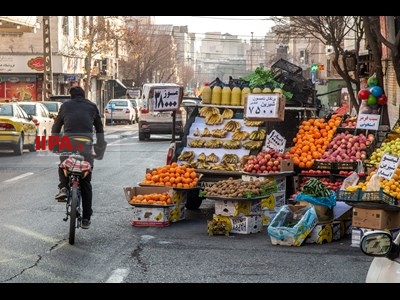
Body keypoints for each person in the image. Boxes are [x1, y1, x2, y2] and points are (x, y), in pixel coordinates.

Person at [52, 86, 106, 229]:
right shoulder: (92, 106)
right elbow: (100, 130)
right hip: (86, 144)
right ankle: (86, 218)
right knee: (85, 181)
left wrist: (54, 145)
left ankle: (63, 187)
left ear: (71, 96)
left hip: (68, 142)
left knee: (63, 165)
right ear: (84, 95)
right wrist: (100, 149)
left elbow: (56, 128)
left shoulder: (65, 106)